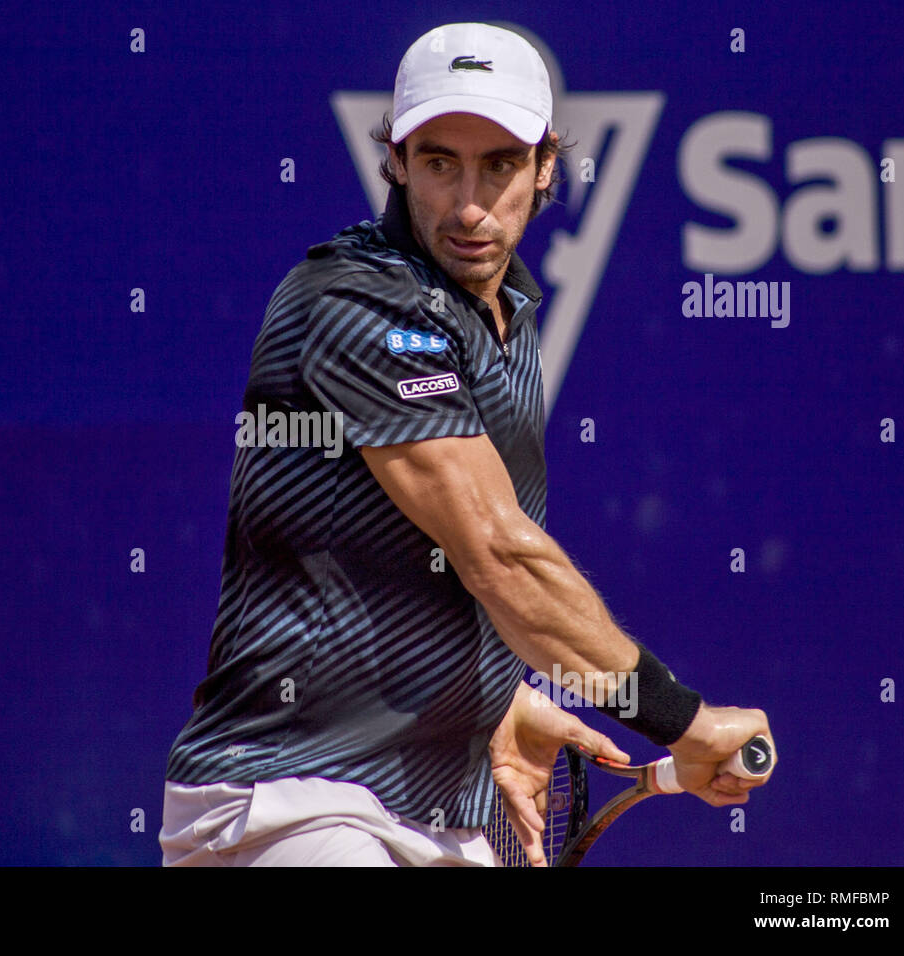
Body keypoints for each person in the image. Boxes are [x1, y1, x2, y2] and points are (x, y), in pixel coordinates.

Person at [160, 21, 774, 867]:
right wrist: (686, 722)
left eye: (501, 165)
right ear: (399, 161)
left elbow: (419, 569)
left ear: (546, 166)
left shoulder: (506, 321)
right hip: (294, 805)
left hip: (447, 816)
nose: (471, 205)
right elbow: (495, 553)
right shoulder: (354, 300)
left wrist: (496, 706)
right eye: (441, 162)